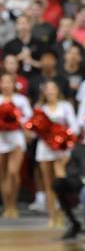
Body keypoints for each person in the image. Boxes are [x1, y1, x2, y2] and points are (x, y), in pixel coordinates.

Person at [35, 81, 79, 227]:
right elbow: (35, 129)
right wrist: (46, 135)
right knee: (48, 184)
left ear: (57, 91)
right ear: (44, 93)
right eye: (47, 89)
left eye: (53, 89)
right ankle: (52, 216)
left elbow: (74, 126)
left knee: (59, 182)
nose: (50, 92)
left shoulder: (65, 106)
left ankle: (62, 214)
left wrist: (63, 137)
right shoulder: (40, 108)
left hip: (62, 147)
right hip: (44, 148)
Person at [53, 119, 85, 239]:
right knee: (58, 183)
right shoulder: (79, 147)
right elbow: (71, 167)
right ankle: (73, 222)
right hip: (79, 180)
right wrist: (80, 177)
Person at [0, 74, 32, 218]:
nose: (6, 85)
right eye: (3, 82)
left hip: (16, 137)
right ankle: (7, 206)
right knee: (3, 174)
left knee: (13, 172)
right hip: (1, 137)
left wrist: (18, 120)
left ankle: (13, 203)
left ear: (14, 85)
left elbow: (28, 118)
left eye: (9, 82)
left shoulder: (21, 100)